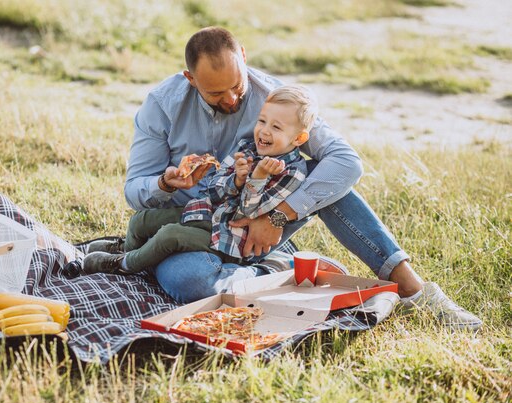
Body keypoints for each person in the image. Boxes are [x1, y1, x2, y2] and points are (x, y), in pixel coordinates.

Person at [118, 27, 481, 330]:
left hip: (265, 226)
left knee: (328, 182)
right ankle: (281, 270)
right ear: (190, 79)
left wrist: (278, 217)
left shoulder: (276, 96)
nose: (231, 99)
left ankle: (413, 290)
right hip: (193, 229)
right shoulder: (162, 105)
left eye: (237, 87)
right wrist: (165, 184)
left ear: (243, 56)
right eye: (215, 92)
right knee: (191, 283)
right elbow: (134, 191)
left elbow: (346, 161)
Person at [83, 85, 316, 274]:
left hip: (228, 238)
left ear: (299, 138)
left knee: (169, 236)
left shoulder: (291, 172)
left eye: (276, 127)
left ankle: (125, 265)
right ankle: (130, 248)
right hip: (205, 212)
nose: (264, 131)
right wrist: (235, 180)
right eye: (262, 121)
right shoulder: (248, 148)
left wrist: (257, 178)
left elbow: (249, 213)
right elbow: (214, 187)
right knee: (141, 220)